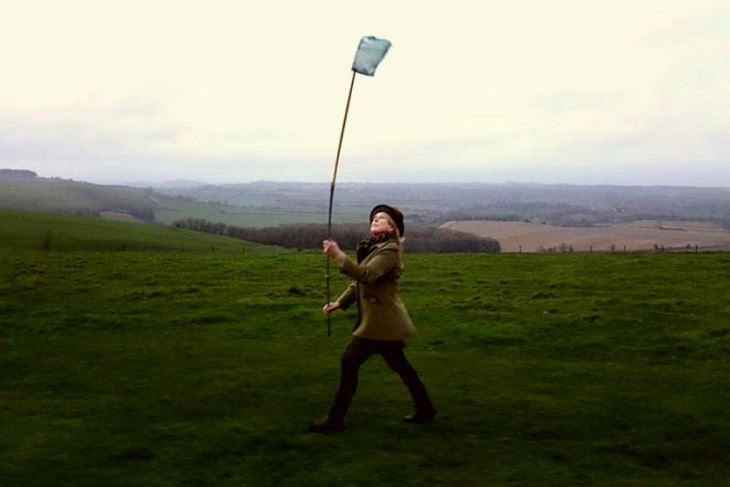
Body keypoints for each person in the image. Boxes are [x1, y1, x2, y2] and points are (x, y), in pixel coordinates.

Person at [310, 204, 436, 433]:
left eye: (381, 218)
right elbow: (358, 282)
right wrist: (341, 302)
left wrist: (338, 255)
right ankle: (426, 409)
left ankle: (335, 419)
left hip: (381, 323)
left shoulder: (390, 251)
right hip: (383, 324)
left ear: (392, 227)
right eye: (374, 218)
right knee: (400, 366)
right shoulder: (374, 248)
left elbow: (366, 275)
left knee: (350, 362)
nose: (375, 220)